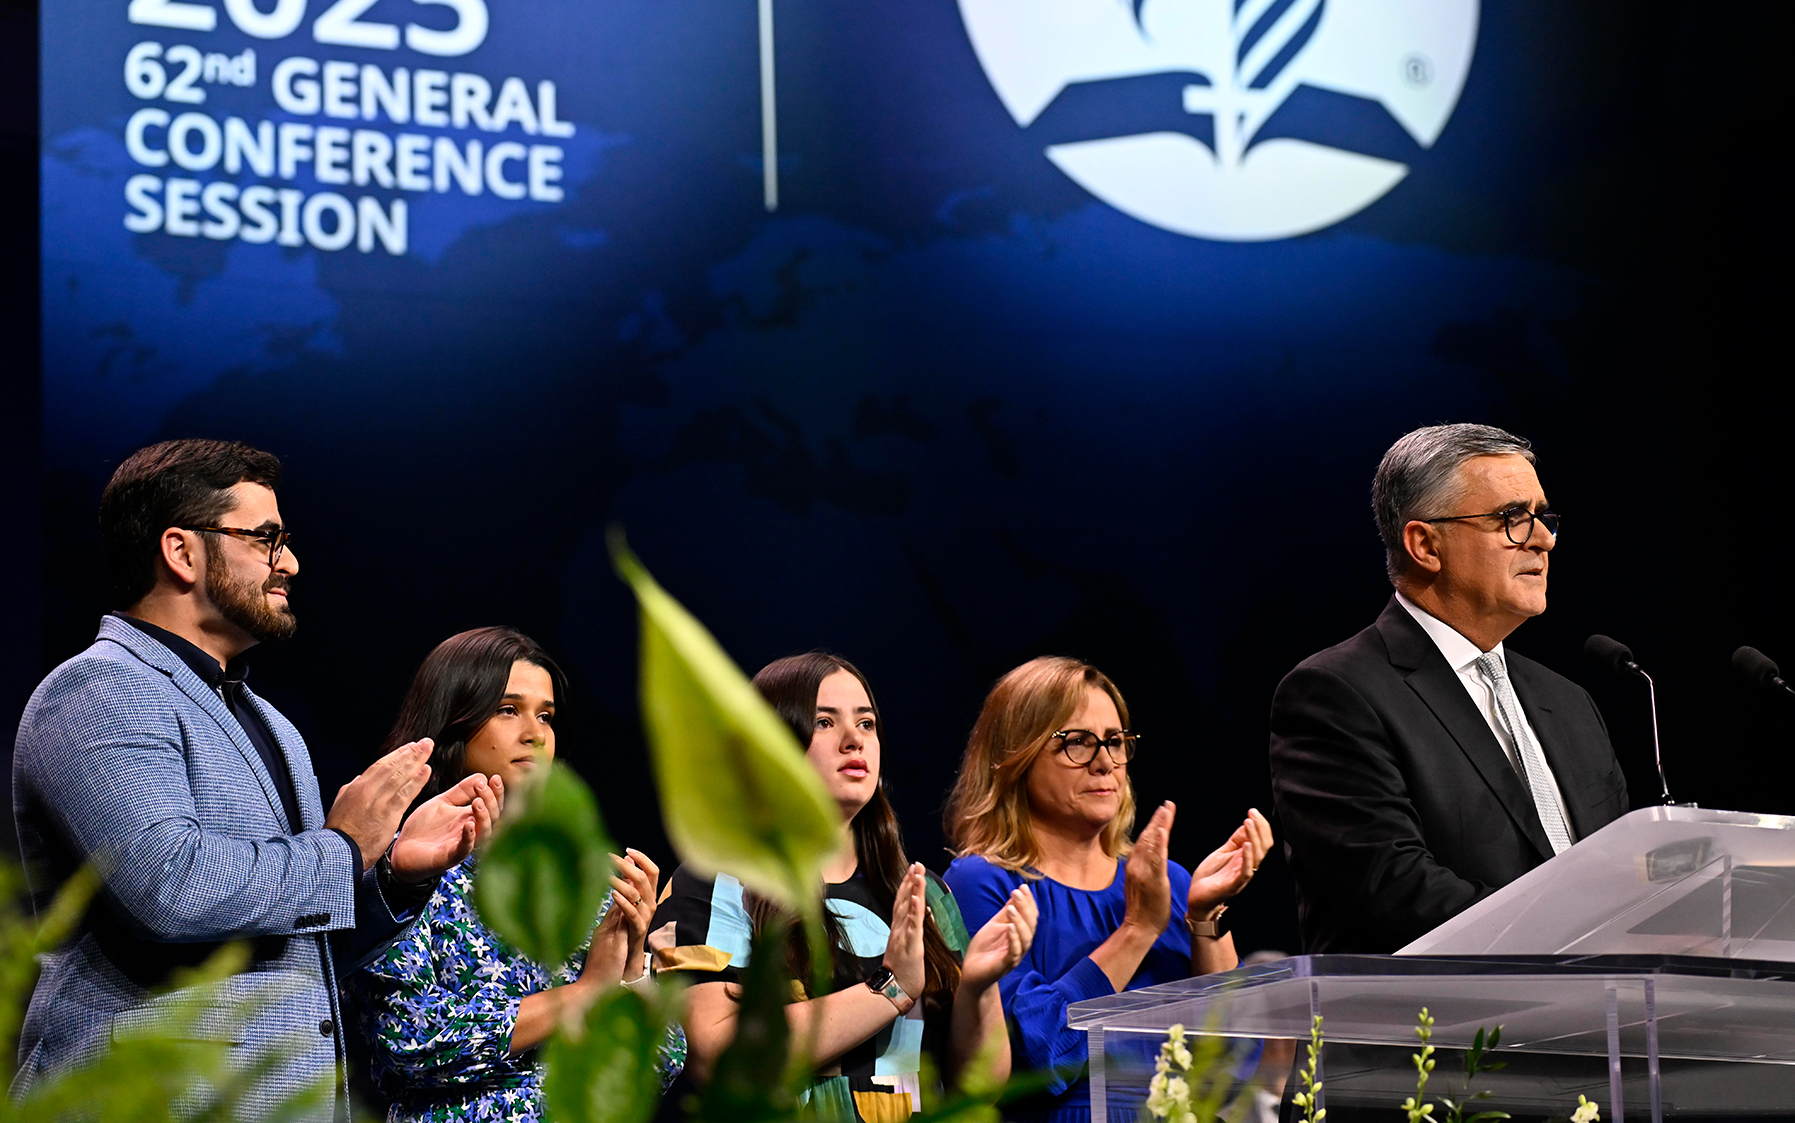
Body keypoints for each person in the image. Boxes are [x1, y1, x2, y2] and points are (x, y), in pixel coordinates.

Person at [11, 439, 501, 1119]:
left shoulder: (268, 722)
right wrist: (344, 847)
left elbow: (295, 950)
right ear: (181, 552)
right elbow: (169, 889)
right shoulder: (99, 690)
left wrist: (392, 875)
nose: (290, 564)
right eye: (265, 539)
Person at [1268, 423, 1631, 955]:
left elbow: (1622, 874)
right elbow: (1395, 889)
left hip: (1594, 1029)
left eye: (1542, 516)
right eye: (1512, 518)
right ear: (1425, 544)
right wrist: (1570, 945)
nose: (1544, 539)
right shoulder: (1336, 694)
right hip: (1434, 1029)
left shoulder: (1570, 702)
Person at [649, 652, 1038, 1122]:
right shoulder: (719, 882)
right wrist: (890, 989)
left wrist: (979, 986)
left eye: (867, 723)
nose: (855, 740)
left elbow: (980, 1085)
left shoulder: (925, 894)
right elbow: (723, 1059)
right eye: (824, 722)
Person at [349, 627, 685, 1121]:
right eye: (508, 710)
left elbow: (658, 1064)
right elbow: (412, 1040)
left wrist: (633, 963)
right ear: (452, 720)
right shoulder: (401, 872)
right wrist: (585, 993)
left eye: (546, 716)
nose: (535, 733)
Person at [943, 656, 1273, 1123]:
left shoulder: (1171, 883)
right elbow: (1039, 1054)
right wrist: (1137, 931)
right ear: (1015, 756)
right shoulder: (982, 882)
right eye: (1077, 742)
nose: (1104, 763)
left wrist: (1205, 915)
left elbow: (1228, 1073)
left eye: (1115, 742)